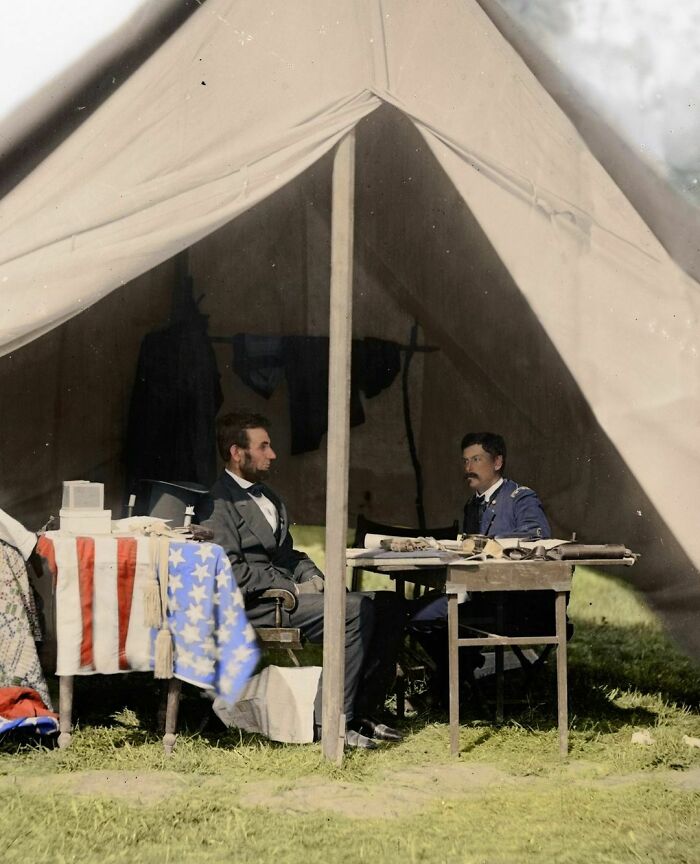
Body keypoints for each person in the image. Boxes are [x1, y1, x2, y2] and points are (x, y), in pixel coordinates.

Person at [199, 411, 404, 749]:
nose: (273, 454)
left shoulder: (271, 498)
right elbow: (230, 572)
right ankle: (331, 722)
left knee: (390, 605)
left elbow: (288, 556)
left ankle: (363, 712)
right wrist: (294, 587)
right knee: (355, 611)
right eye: (263, 446)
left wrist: (313, 576)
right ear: (237, 453)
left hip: (285, 597)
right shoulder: (217, 502)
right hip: (255, 606)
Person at [410, 431, 552, 706]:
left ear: (497, 462)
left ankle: (450, 683)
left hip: (519, 602)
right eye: (465, 461)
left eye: (476, 459)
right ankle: (461, 670)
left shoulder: (520, 497)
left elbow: (538, 536)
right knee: (417, 613)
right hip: (486, 597)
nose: (468, 468)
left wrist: (489, 546)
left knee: (424, 616)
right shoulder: (473, 505)